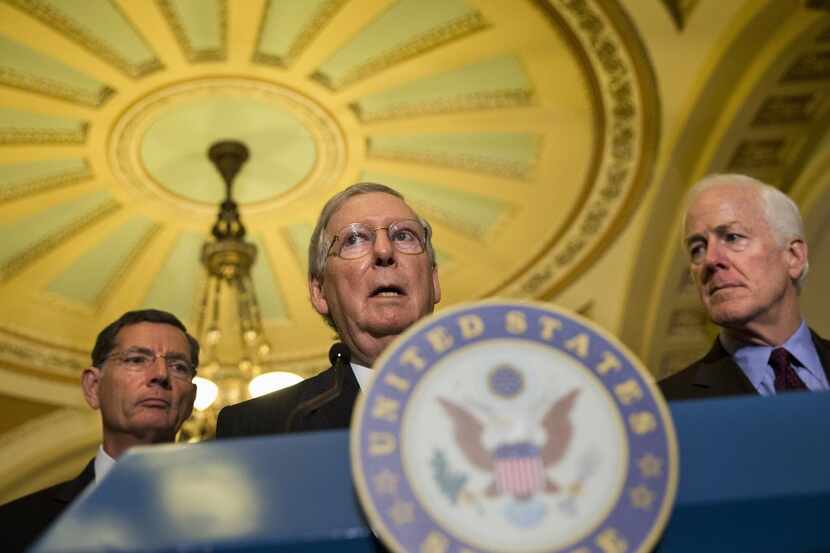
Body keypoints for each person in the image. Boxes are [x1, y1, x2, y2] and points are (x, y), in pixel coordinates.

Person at [216, 182, 441, 437]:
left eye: (404, 236)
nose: (383, 250)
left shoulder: (493, 396)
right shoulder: (260, 428)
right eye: (354, 239)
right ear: (319, 291)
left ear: (434, 281)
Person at [0, 309, 199, 552]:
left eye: (178, 366)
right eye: (136, 359)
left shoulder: (234, 513)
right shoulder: (13, 526)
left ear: (191, 400)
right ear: (93, 387)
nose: (160, 375)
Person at [659, 174, 830, 399]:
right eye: (697, 249)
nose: (710, 260)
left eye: (732, 237)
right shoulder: (668, 406)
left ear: (794, 256)